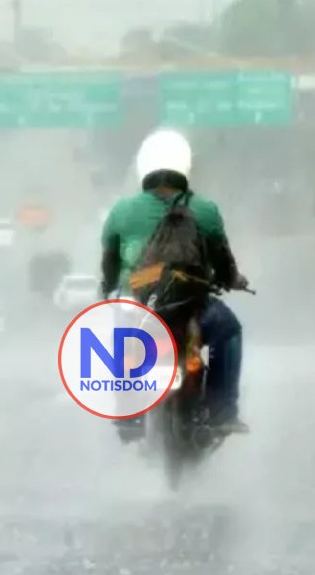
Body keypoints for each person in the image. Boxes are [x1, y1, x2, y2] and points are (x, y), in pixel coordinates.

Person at [99, 129, 250, 438]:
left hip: (141, 304)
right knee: (229, 330)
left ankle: (129, 411)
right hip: (191, 303)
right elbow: (222, 260)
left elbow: (110, 262)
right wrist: (233, 280)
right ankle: (223, 411)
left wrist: (109, 287)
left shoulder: (121, 211)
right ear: (184, 169)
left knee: (123, 330)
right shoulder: (204, 209)